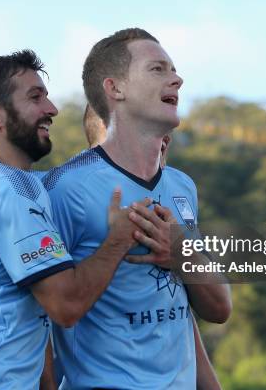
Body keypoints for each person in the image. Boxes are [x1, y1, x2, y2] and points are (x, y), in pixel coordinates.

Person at [0, 102, 224, 389]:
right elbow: (39, 293)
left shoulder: (181, 186)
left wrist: (185, 255)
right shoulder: (58, 191)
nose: (155, 141)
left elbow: (183, 308)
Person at [0, 50, 152, 389]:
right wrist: (118, 239)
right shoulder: (10, 190)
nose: (52, 109)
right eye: (35, 97)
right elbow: (66, 305)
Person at [42, 28, 232, 389]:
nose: (177, 78)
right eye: (157, 69)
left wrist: (180, 254)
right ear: (115, 89)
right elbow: (30, 313)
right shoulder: (64, 188)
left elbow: (213, 310)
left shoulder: (182, 187)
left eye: (173, 69)